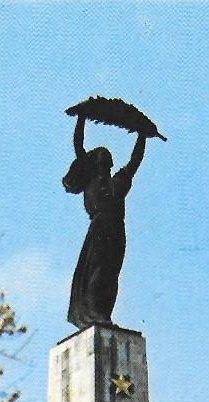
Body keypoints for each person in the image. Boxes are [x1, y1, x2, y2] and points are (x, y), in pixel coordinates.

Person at [62, 116, 145, 329]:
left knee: (111, 273)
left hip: (117, 228)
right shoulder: (90, 180)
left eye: (106, 160)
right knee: (98, 269)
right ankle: (93, 311)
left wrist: (142, 136)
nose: (105, 162)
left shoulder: (118, 181)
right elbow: (79, 146)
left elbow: (134, 162)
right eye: (101, 159)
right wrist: (82, 117)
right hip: (100, 226)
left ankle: (103, 312)